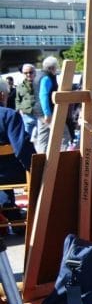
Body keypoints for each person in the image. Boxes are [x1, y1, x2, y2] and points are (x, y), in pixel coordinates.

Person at [0, 80, 33, 219]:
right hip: (10, 173)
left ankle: (10, 213)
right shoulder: (8, 115)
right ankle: (14, 217)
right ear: (2, 95)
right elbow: (21, 148)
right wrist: (35, 168)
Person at [36, 57, 61, 153]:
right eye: (56, 67)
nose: (57, 69)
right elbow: (43, 96)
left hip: (40, 112)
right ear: (52, 68)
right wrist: (47, 113)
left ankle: (41, 160)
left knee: (43, 139)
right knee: (63, 136)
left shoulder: (39, 75)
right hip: (46, 113)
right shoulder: (46, 78)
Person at [15, 64, 42, 151]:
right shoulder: (19, 86)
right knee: (27, 138)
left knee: (41, 138)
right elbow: (17, 100)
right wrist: (19, 110)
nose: (28, 75)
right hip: (26, 116)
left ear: (35, 73)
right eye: (25, 73)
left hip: (40, 116)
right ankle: (31, 156)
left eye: (30, 72)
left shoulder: (41, 83)